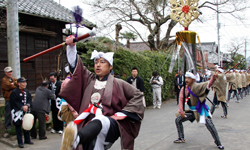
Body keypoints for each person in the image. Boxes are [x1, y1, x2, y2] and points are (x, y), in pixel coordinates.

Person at [59, 36, 145, 150]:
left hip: (110, 124)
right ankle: (79, 138)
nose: (98, 65)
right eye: (96, 62)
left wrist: (122, 114)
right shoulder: (89, 80)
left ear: (111, 67)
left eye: (102, 62)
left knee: (101, 120)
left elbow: (138, 95)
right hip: (90, 127)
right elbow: (77, 69)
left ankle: (77, 138)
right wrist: (71, 47)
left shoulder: (118, 83)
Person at [174, 71, 224, 149]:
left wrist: (213, 79)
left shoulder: (197, 86)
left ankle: (218, 143)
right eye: (186, 78)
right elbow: (181, 99)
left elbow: (207, 85)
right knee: (178, 120)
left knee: (210, 125)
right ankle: (181, 138)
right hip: (192, 111)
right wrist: (181, 111)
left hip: (201, 110)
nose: (187, 80)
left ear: (193, 80)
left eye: (189, 78)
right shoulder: (184, 88)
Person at [9, 77, 33, 148]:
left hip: (25, 111)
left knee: (26, 125)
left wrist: (27, 105)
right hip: (17, 112)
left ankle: (27, 139)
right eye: (23, 82)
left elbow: (29, 99)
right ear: (19, 84)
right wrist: (22, 107)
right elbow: (14, 102)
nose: (24, 84)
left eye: (25, 82)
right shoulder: (14, 92)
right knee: (18, 126)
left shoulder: (26, 91)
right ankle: (20, 142)